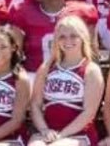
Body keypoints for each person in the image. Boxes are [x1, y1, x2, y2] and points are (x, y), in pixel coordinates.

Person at [8, 0, 99, 73]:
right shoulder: (22, 11)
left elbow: (92, 53)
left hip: (72, 77)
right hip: (34, 75)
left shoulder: (83, 12)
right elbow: (15, 54)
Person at [27, 16, 104, 146]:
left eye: (73, 36)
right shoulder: (47, 67)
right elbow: (35, 105)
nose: (68, 40)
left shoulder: (91, 70)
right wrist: (45, 130)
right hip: (48, 131)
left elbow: (89, 113)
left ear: (83, 38)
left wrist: (62, 135)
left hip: (79, 134)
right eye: (62, 37)